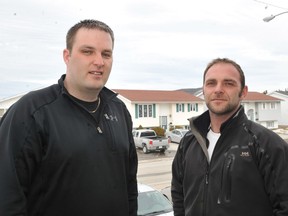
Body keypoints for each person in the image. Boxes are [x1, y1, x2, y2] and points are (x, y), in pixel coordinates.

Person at [0, 19, 138, 216]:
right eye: (87, 51)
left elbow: (129, 184)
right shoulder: (32, 111)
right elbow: (7, 195)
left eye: (106, 54)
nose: (99, 61)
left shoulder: (119, 110)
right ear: (67, 56)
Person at [171, 57, 288, 216]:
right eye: (211, 83)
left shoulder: (267, 145)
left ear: (243, 92)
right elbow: (179, 197)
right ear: (204, 90)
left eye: (228, 83)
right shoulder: (188, 142)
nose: (218, 89)